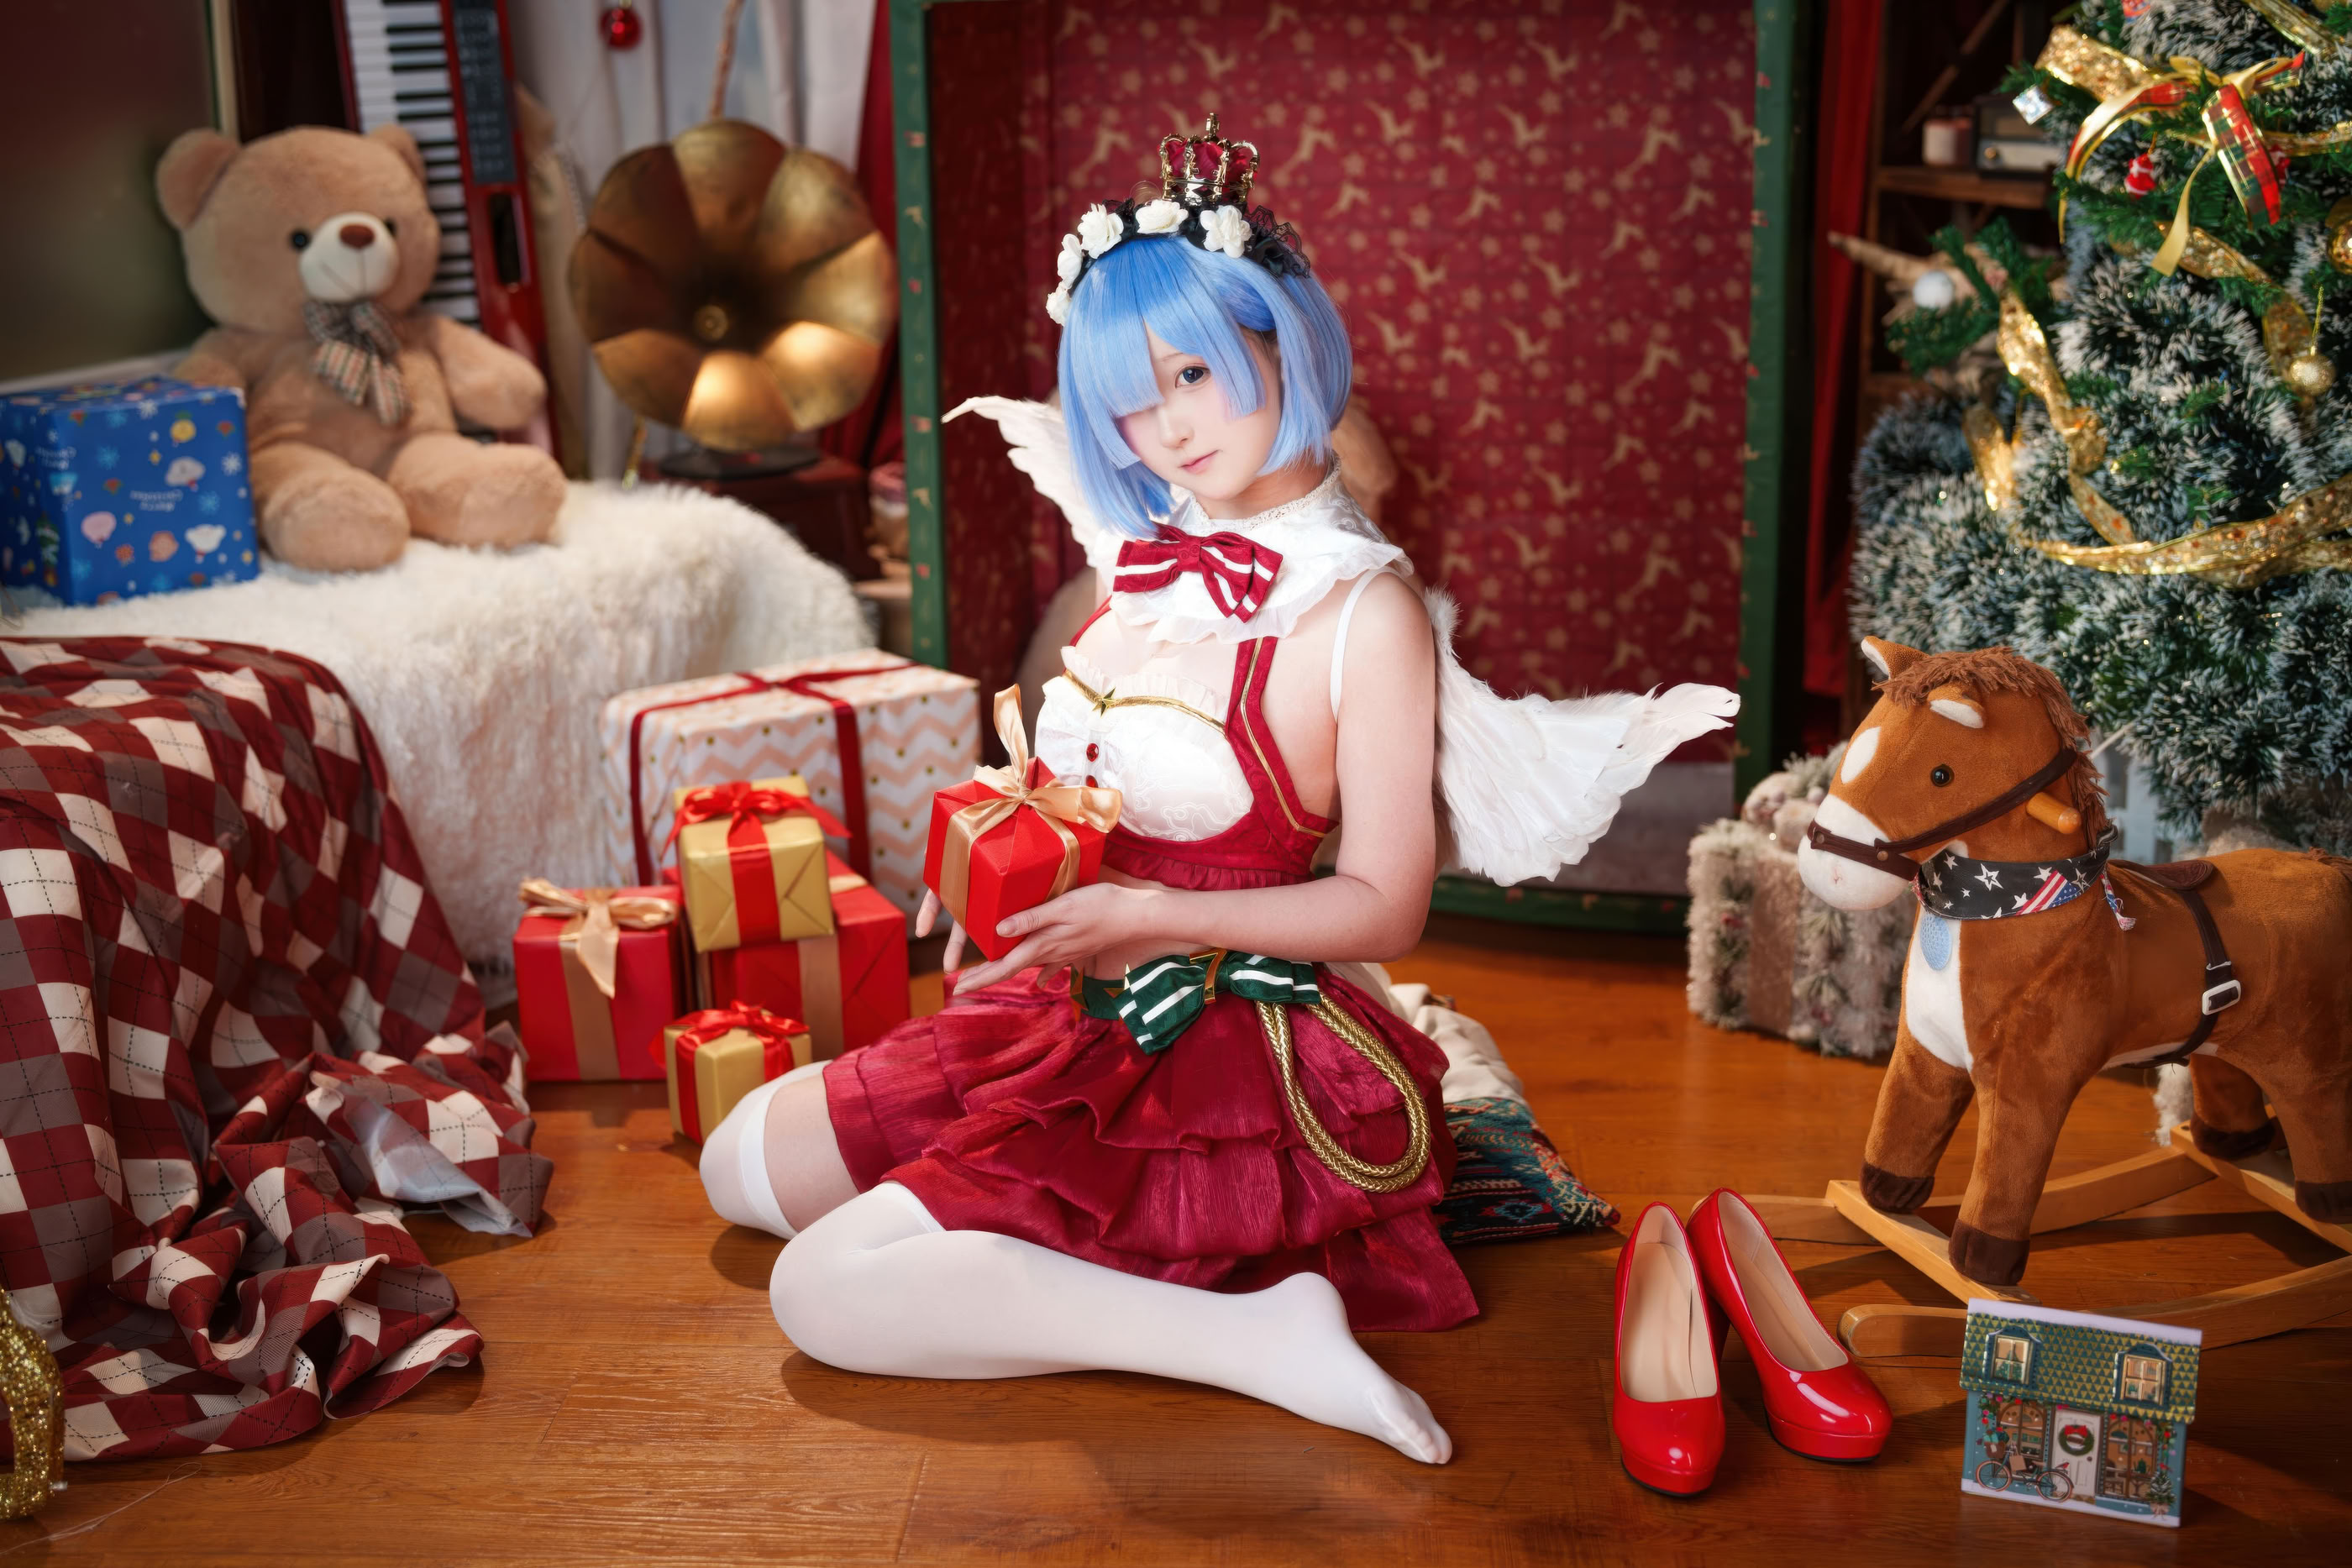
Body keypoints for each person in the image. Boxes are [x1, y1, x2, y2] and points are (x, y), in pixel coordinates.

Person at [697, 115, 1735, 1465]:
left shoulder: (1364, 613)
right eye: (1130, 401)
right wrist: (1002, 860)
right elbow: (1094, 780)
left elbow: (1385, 905)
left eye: (1191, 372)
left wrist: (1150, 918)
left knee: (820, 1291)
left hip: (1218, 1028)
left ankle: (1255, 1336)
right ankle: (1004, 1243)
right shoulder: (1149, 548)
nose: (1166, 429)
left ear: (1281, 341)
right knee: (738, 1166)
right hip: (1076, 983)